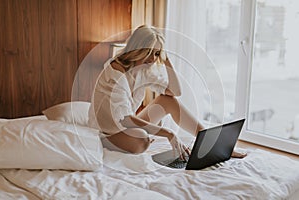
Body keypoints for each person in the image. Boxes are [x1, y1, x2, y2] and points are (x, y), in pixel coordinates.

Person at [88, 25, 246, 160]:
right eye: (148, 52)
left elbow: (175, 92)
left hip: (125, 125)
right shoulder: (115, 72)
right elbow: (126, 120)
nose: (152, 58)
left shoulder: (144, 70)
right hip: (106, 131)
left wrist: (165, 58)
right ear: (136, 49)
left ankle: (210, 143)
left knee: (167, 101)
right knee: (141, 141)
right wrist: (168, 133)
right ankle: (110, 143)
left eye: (156, 53)